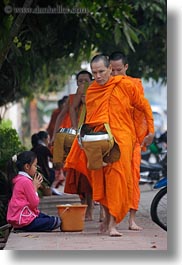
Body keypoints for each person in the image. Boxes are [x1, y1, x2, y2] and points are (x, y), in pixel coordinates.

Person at [64, 54, 154, 236]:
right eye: (94, 72)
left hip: (121, 139)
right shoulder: (92, 91)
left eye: (101, 72)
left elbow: (144, 106)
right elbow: (89, 118)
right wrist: (83, 139)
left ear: (110, 70)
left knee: (116, 179)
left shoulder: (126, 85)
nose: (98, 76)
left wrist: (150, 131)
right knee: (100, 180)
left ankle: (113, 223)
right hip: (98, 140)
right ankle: (106, 218)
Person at [109, 51, 149, 230]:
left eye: (119, 69)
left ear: (126, 67)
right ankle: (109, 219)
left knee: (133, 177)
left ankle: (132, 220)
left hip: (131, 139)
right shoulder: (106, 85)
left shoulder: (134, 85)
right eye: (113, 70)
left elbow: (140, 111)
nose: (116, 73)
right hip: (111, 139)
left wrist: (142, 135)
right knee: (112, 178)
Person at [63, 70, 94, 220]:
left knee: (94, 174)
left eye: (86, 80)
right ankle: (85, 206)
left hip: (95, 135)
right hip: (80, 136)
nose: (83, 84)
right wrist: (76, 128)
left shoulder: (96, 91)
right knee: (80, 173)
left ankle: (93, 208)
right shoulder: (75, 97)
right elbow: (70, 110)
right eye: (80, 81)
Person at [6, 151, 61, 232]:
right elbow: (34, 203)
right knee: (55, 221)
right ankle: (23, 227)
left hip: (20, 217)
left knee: (45, 217)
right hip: (24, 220)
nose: (36, 168)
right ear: (27, 166)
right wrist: (34, 187)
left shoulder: (18, 178)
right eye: (35, 165)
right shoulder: (25, 181)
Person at [31, 131, 61, 195]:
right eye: (48, 139)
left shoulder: (33, 149)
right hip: (45, 173)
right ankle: (48, 189)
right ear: (44, 139)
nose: (49, 141)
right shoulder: (44, 148)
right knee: (53, 172)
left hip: (34, 173)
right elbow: (54, 160)